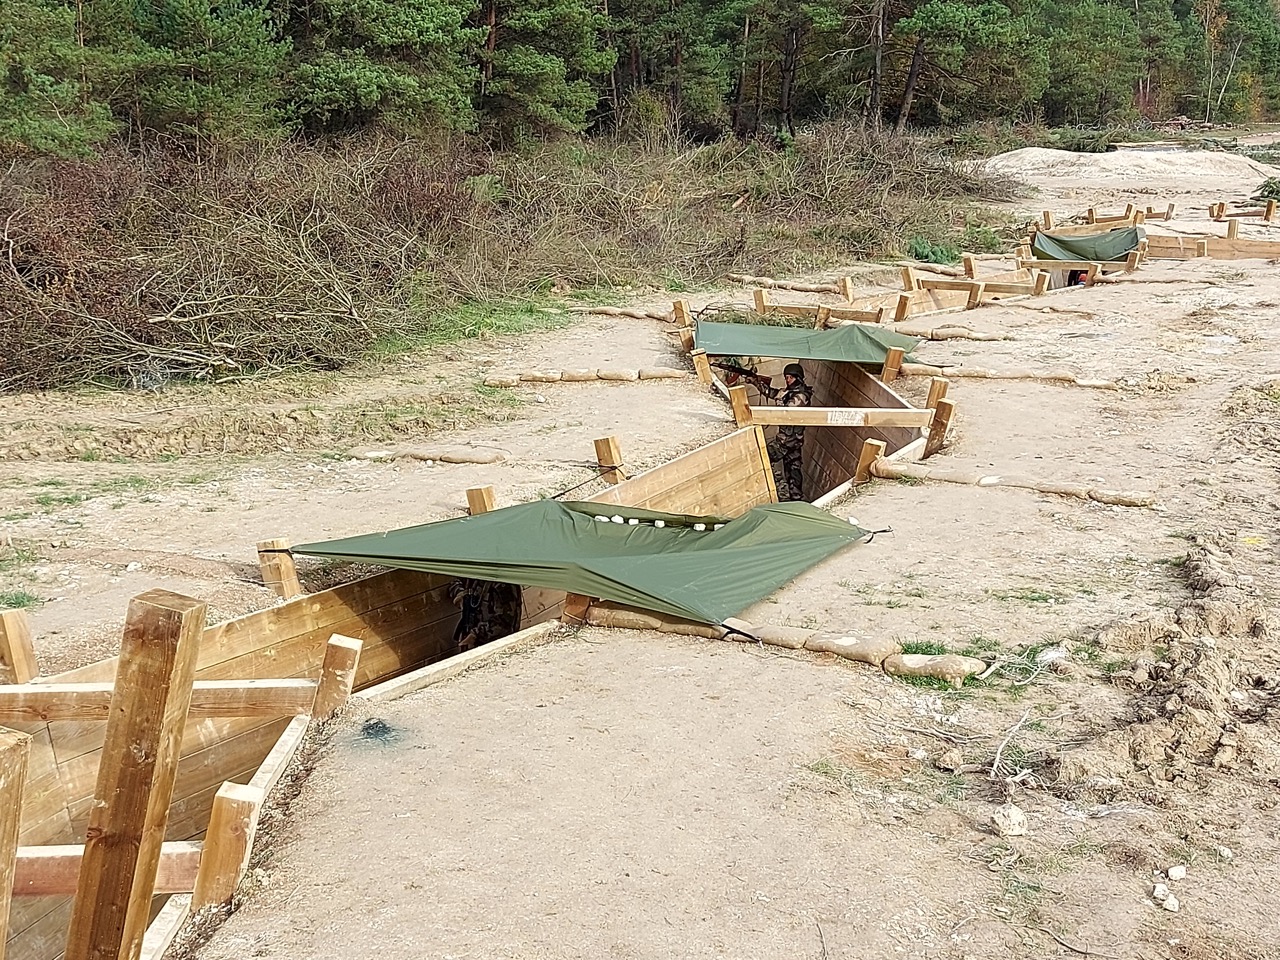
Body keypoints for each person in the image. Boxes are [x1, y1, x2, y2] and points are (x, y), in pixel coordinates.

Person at [758, 362, 813, 501]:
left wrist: (779, 399)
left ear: (798, 378)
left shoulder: (801, 396)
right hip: (790, 441)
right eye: (786, 377)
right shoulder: (790, 392)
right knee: (793, 471)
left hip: (787, 441)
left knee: (763, 457)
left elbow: (786, 410)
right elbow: (771, 393)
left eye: (790, 378)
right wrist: (755, 381)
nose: (787, 380)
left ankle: (784, 494)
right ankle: (793, 499)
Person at [447, 577, 523, 651]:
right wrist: (461, 595)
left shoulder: (503, 583)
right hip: (476, 643)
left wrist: (475, 635)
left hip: (498, 646)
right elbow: (455, 583)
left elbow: (505, 624)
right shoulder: (478, 575)